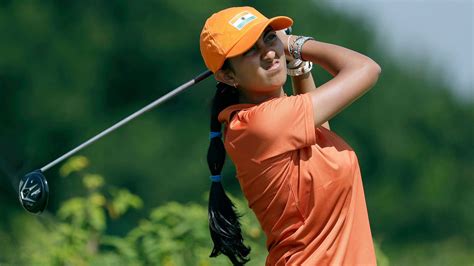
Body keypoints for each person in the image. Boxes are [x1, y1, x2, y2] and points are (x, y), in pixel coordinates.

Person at [200, 6, 381, 266]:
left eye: (269, 37)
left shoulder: (265, 123)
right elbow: (366, 69)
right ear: (227, 75)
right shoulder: (261, 123)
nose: (268, 51)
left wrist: (297, 66)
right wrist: (293, 44)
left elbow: (322, 141)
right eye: (250, 49)